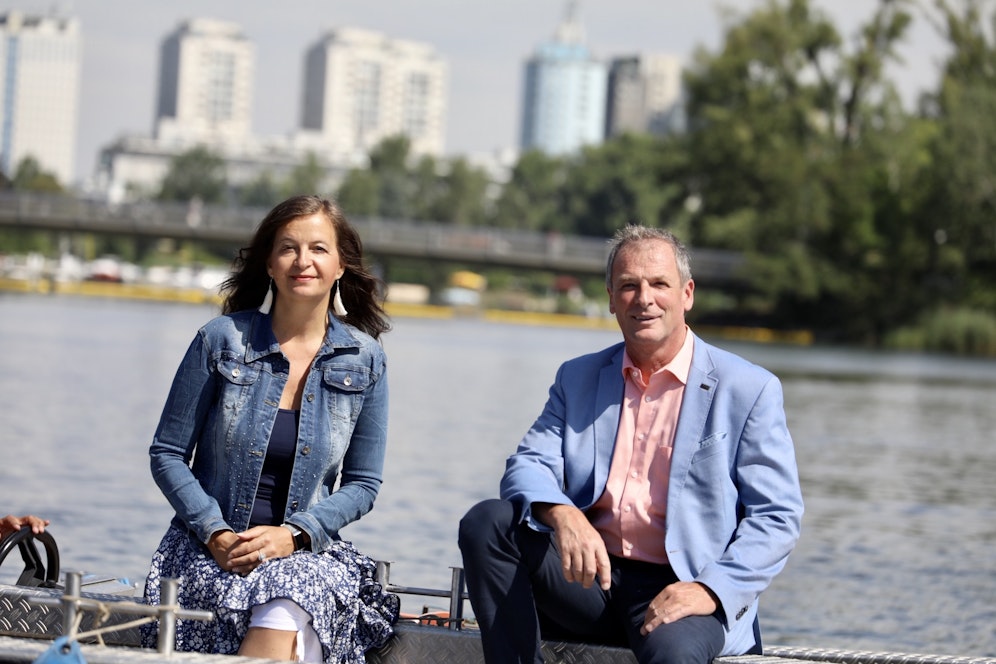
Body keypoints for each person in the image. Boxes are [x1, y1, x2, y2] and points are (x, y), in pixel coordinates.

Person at [458, 225, 804, 664]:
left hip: (683, 588)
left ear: (687, 294)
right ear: (611, 299)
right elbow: (527, 464)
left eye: (659, 284)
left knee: (673, 656)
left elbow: (776, 516)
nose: (644, 299)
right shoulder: (577, 376)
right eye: (628, 286)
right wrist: (562, 514)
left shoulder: (749, 388)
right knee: (487, 523)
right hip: (590, 578)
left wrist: (711, 589)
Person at [143, 195, 398, 663]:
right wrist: (216, 534)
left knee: (287, 594)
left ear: (340, 265)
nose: (303, 261)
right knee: (282, 610)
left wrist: (295, 534)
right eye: (288, 248)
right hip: (207, 549)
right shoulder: (220, 341)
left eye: (318, 249)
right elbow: (167, 454)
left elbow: (363, 484)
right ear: (269, 263)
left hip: (307, 555)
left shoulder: (366, 360)